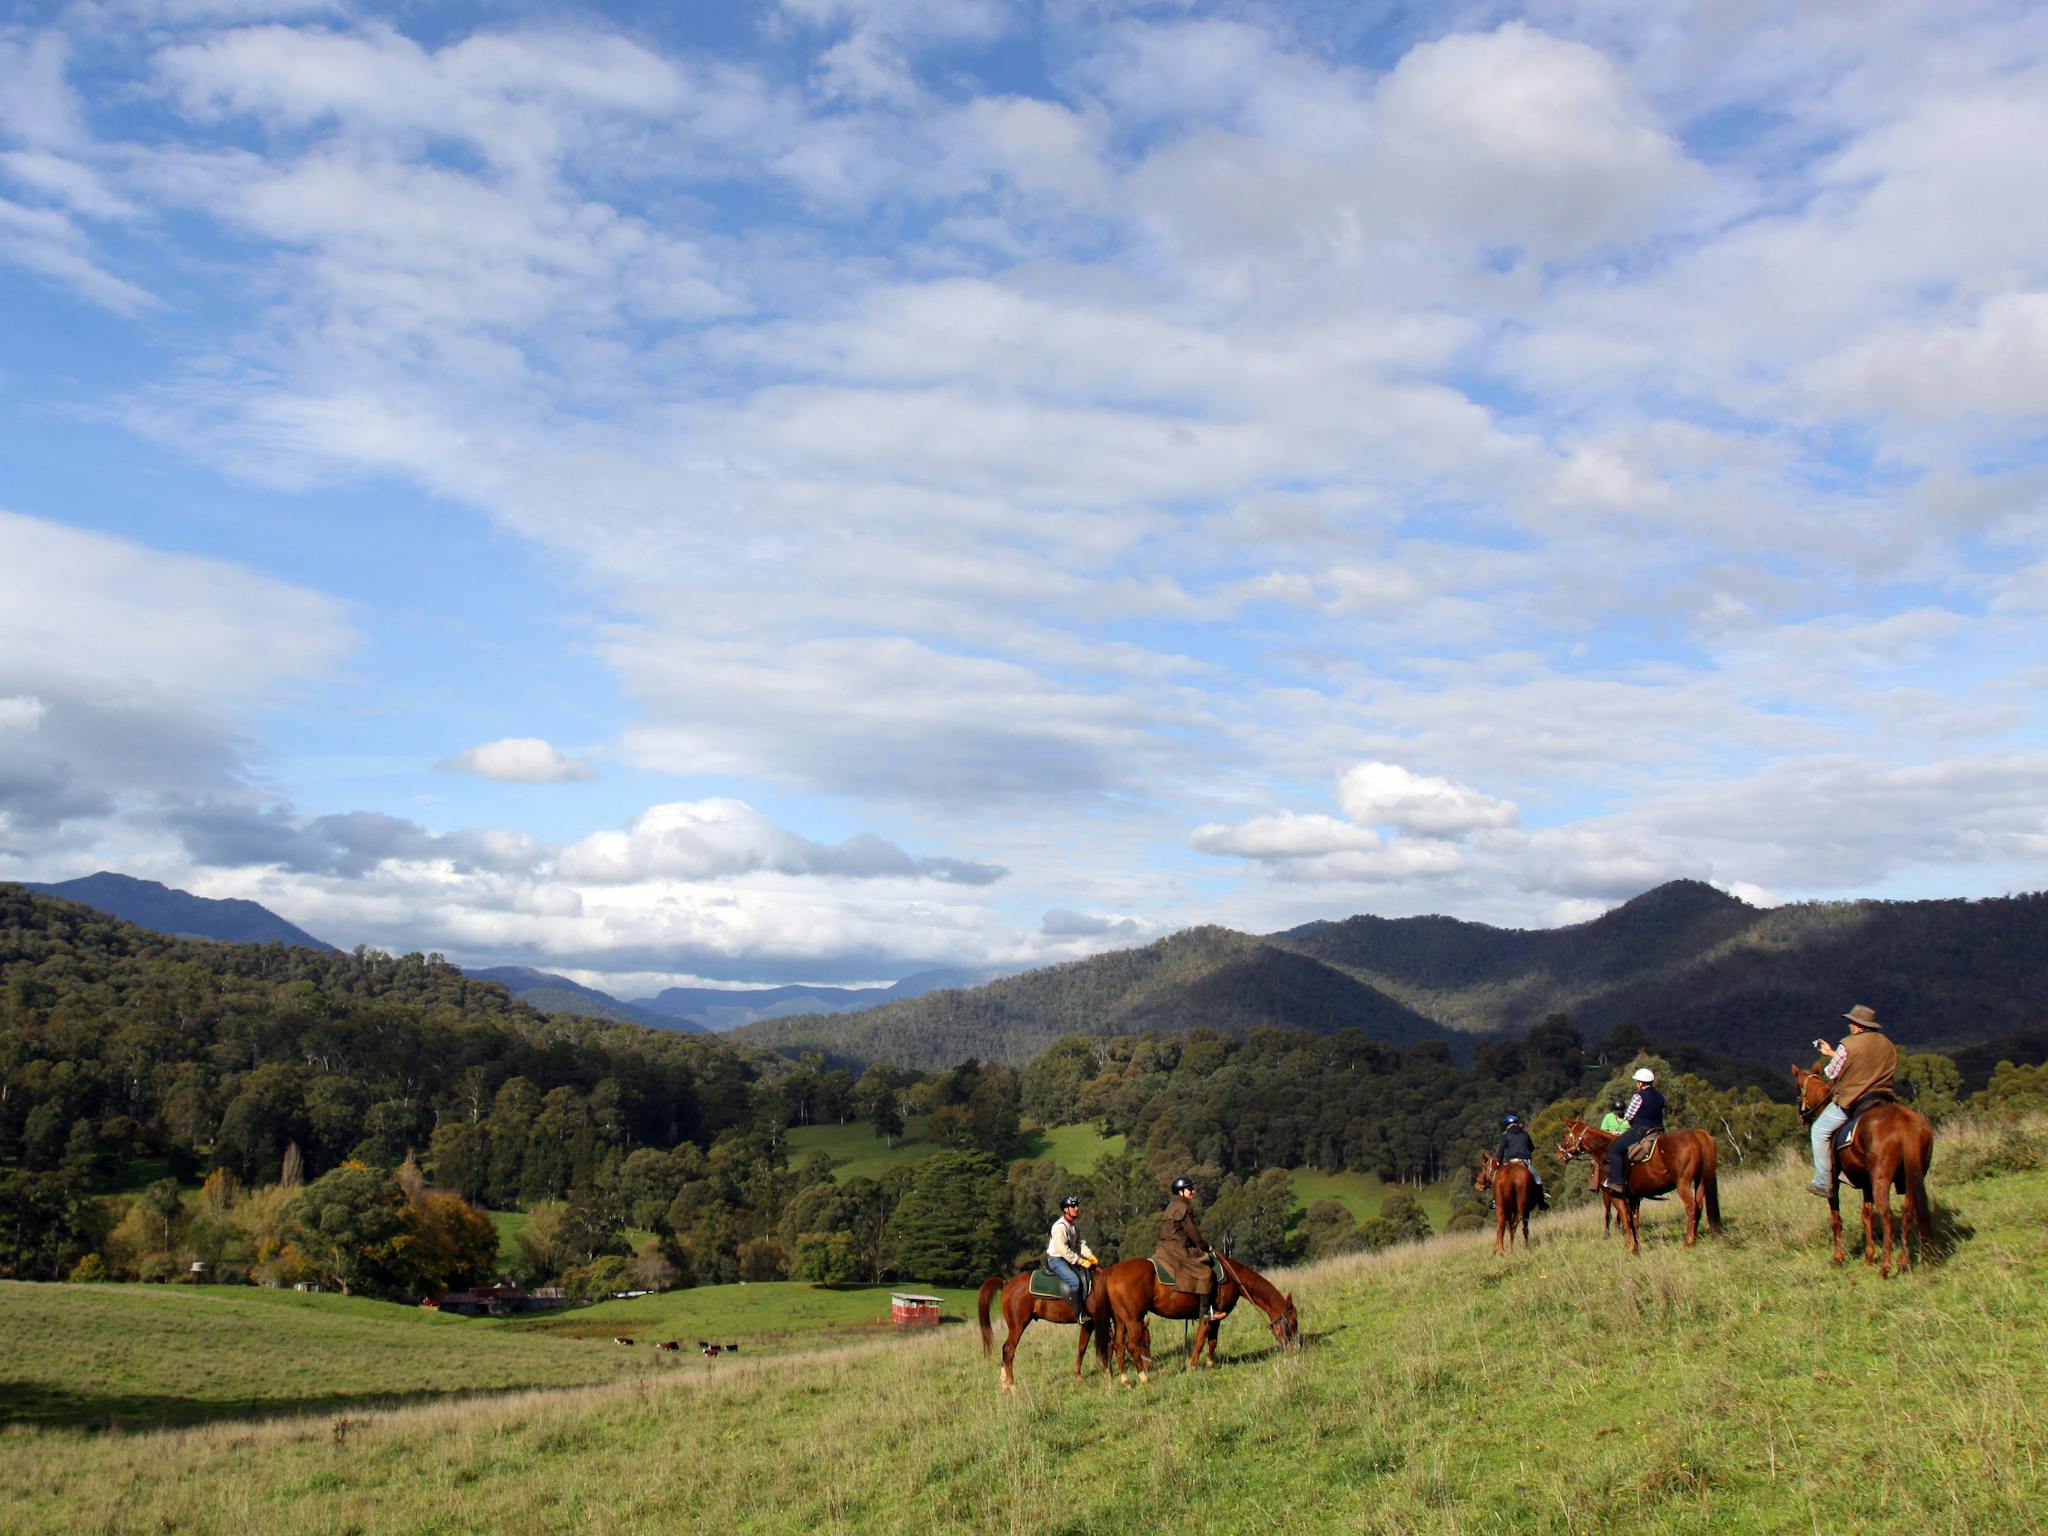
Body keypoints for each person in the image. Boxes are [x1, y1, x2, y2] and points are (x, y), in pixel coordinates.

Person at [1804, 1004, 1900, 1197]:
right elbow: (1867, 1062)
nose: (1849, 1025)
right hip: (1884, 1097)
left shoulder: (1848, 1044)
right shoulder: (1888, 1044)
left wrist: (1833, 1056)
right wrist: (1832, 1053)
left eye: (1851, 1022)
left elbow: (1831, 1073)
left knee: (1819, 1131)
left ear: (1857, 1025)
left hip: (1855, 1099)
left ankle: (1824, 1182)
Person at [1154, 1175, 1218, 1321]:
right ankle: (1205, 1313)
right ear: (1181, 1191)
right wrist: (1205, 1246)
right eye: (1190, 1189)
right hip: (1178, 1250)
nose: (1193, 1192)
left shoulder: (1171, 1206)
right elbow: (1193, 1233)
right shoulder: (1183, 1208)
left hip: (1163, 1249)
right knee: (1205, 1273)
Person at [1603, 1068, 1665, 1195]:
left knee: (1615, 1149)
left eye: (1637, 1081)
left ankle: (1617, 1182)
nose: (1637, 1084)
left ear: (1641, 1083)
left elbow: (1629, 1116)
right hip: (1659, 1130)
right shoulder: (1660, 1096)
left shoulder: (1638, 1096)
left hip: (1641, 1129)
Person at [1044, 1193, 1097, 1309]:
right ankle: (1078, 1312)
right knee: (1075, 1282)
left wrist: (1090, 1255)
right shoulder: (1060, 1228)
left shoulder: (1074, 1223)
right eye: (1073, 1206)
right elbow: (1064, 1251)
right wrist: (1081, 1261)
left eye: (1077, 1206)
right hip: (1056, 1260)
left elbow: (1079, 1243)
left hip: (1069, 1258)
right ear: (1066, 1210)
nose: (1077, 1209)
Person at [1496, 1112, 1548, 1209]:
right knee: (1537, 1178)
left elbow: (1501, 1151)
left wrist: (1499, 1163)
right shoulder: (1525, 1134)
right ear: (1516, 1123)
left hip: (1510, 1162)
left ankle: (1496, 1200)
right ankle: (1541, 1203)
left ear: (1507, 1125)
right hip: (1524, 1161)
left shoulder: (1505, 1135)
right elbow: (1532, 1148)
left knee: (1497, 1179)